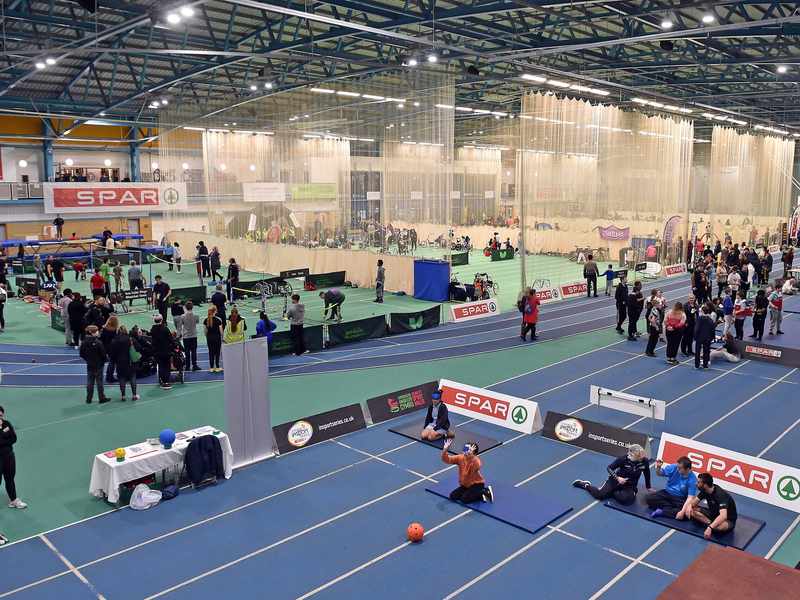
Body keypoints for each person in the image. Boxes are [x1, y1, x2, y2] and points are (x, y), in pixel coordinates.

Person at [572, 444, 652, 505]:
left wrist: (648, 487)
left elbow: (647, 472)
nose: (628, 455)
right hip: (615, 480)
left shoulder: (644, 462)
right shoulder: (623, 459)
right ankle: (586, 485)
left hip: (630, 485)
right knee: (600, 496)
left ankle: (612, 492)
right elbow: (609, 468)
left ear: (638, 457)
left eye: (631, 455)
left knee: (628, 501)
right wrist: (618, 478)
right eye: (628, 453)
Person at [441, 438, 493, 503]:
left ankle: (484, 491)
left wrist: (472, 456)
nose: (466, 451)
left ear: (474, 453)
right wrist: (445, 450)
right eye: (465, 449)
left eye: (468, 450)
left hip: (477, 484)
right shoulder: (460, 457)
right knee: (453, 496)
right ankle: (474, 494)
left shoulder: (475, 460)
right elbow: (447, 459)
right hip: (465, 485)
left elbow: (478, 466)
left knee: (464, 499)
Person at [646, 456, 698, 520]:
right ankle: (668, 508)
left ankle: (662, 512)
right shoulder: (674, 467)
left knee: (686, 513)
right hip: (667, 493)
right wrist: (658, 467)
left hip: (679, 498)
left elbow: (690, 498)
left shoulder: (693, 480)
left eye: (680, 468)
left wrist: (682, 512)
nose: (677, 469)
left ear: (687, 469)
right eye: (677, 467)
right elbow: (659, 474)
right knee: (649, 499)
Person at [689, 473, 737, 539]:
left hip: (728, 519)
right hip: (713, 513)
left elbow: (723, 516)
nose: (696, 484)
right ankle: (710, 523)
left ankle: (711, 525)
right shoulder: (704, 490)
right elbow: (693, 504)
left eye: (698, 482)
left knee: (719, 527)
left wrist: (710, 528)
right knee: (692, 511)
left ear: (705, 485)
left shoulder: (720, 495)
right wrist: (690, 507)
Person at [0, 406, 26, 509]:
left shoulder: (7, 423)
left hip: (9, 456)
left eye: (1, 415)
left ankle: (14, 500)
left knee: (10, 478)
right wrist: (4, 435)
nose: (0, 417)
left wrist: (3, 441)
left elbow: (14, 438)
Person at [79, 325, 110, 404]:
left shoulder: (84, 342)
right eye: (96, 331)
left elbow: (81, 354)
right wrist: (104, 361)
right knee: (99, 382)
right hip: (99, 365)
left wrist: (88, 360)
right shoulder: (98, 342)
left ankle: (88, 399)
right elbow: (103, 354)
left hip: (90, 365)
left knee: (90, 382)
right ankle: (101, 398)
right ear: (92, 333)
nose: (98, 332)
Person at [110, 325, 139, 401]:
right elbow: (138, 348)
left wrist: (114, 361)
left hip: (120, 363)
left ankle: (123, 396)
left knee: (121, 378)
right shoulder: (131, 339)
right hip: (130, 362)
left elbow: (112, 354)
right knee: (132, 377)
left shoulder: (115, 341)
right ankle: (134, 395)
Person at [150, 315, 173, 389]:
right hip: (166, 351)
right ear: (162, 320)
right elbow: (170, 339)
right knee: (167, 366)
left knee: (161, 366)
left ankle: (162, 381)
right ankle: (166, 382)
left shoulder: (152, 330)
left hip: (157, 351)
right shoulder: (165, 329)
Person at [179, 301, 201, 371]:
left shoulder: (182, 316)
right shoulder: (196, 315)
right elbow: (197, 322)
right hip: (193, 335)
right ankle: (194, 365)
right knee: (194, 351)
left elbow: (180, 325)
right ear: (192, 307)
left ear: (185, 307)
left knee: (187, 351)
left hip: (186, 336)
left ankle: (188, 366)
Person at [694, 304, 716, 369]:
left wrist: (695, 336)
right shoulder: (710, 320)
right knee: (706, 351)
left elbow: (696, 329)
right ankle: (705, 365)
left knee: (697, 351)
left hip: (699, 338)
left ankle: (697, 365)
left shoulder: (699, 319)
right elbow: (713, 329)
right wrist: (712, 337)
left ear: (703, 311)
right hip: (707, 338)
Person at [204, 306, 224, 372]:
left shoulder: (206, 320)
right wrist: (222, 337)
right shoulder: (219, 320)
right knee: (217, 352)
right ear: (215, 311)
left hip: (209, 338)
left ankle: (211, 367)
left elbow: (205, 332)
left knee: (211, 352)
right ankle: (217, 367)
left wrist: (208, 337)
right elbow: (221, 331)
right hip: (217, 338)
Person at [99, 315, 118, 383]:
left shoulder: (104, 328)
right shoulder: (113, 330)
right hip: (111, 348)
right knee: (112, 363)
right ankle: (109, 377)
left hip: (104, 347)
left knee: (106, 363)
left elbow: (101, 339)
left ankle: (106, 377)